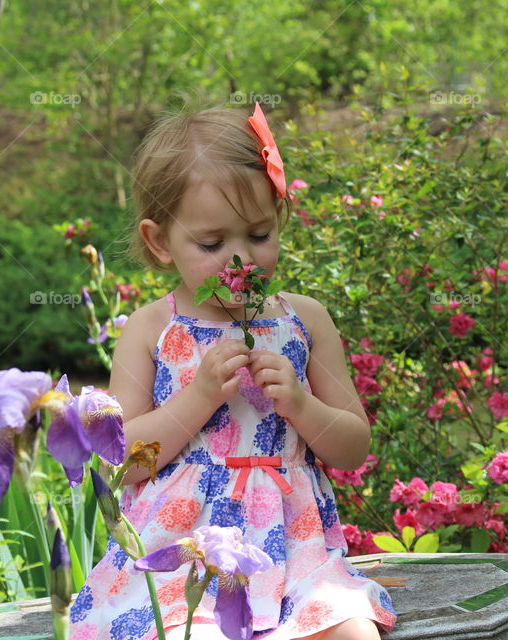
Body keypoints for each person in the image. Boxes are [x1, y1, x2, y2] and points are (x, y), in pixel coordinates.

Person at [69, 102, 396, 640]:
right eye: (212, 243)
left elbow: (353, 447)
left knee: (352, 633)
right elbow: (120, 461)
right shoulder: (152, 330)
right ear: (159, 242)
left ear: (280, 219)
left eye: (260, 235)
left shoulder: (304, 320)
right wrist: (196, 398)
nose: (240, 260)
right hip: (186, 556)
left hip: (296, 553)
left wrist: (301, 405)